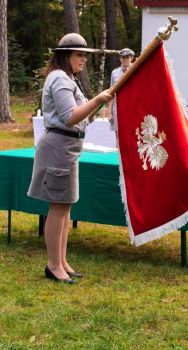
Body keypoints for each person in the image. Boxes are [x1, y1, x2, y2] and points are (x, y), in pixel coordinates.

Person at [27, 33, 112, 283]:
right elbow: (69, 116)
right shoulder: (60, 79)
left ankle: (62, 261)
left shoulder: (69, 79)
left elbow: (84, 118)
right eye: (79, 55)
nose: (83, 59)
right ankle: (53, 265)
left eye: (85, 55)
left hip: (68, 147)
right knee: (57, 207)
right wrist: (97, 99)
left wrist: (98, 104)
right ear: (65, 56)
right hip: (58, 147)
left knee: (65, 206)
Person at [106, 48, 135, 133]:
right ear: (120, 59)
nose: (125, 59)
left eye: (127, 57)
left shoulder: (136, 69)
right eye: (123, 57)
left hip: (132, 107)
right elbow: (111, 93)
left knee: (133, 133)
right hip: (118, 107)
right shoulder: (115, 73)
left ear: (131, 58)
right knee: (118, 133)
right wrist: (109, 112)